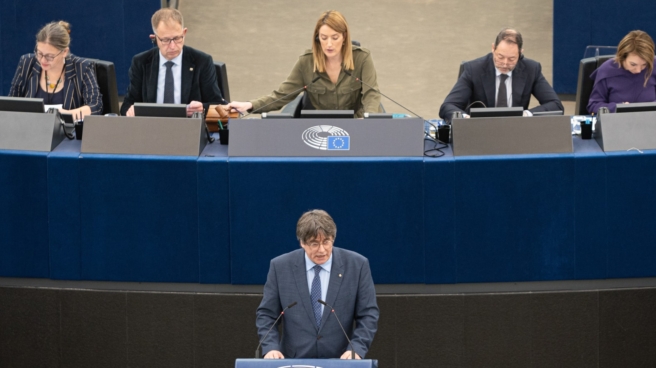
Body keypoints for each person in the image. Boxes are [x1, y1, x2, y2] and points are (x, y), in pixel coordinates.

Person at [256, 209, 379, 359]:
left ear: (333, 238)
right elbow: (267, 314)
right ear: (302, 242)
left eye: (326, 242)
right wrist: (270, 347)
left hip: (340, 361)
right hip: (294, 360)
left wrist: (357, 349)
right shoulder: (280, 267)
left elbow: (368, 314)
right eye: (314, 243)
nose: (322, 250)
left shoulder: (357, 266)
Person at [228, 10, 382, 118]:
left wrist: (369, 120)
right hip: (322, 130)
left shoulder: (362, 58)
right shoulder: (306, 62)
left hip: (357, 126)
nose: (329, 44)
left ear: (344, 37)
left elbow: (371, 95)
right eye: (323, 37)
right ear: (317, 38)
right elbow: (281, 95)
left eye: (335, 38)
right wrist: (249, 105)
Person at [439, 28, 563, 122]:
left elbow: (556, 105)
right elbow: (448, 106)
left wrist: (526, 115)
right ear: (493, 48)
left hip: (515, 130)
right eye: (500, 57)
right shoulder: (474, 69)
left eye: (512, 59)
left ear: (520, 53)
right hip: (481, 131)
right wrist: (466, 119)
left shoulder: (531, 69)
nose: (504, 63)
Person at [120, 8, 224, 116]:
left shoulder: (202, 61)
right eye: (165, 40)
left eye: (177, 38)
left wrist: (202, 108)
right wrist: (130, 110)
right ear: (154, 38)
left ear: (184, 32)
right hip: (151, 128)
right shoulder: (141, 62)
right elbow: (127, 104)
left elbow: (217, 104)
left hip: (189, 128)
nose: (173, 46)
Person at [9, 21, 103, 117]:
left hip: (68, 130)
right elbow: (10, 104)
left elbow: (95, 106)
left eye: (50, 56)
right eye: (39, 53)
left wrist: (65, 115)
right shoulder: (26, 62)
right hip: (30, 129)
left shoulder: (82, 67)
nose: (42, 60)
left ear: (64, 52)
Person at [587, 30, 656, 114]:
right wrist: (617, 107)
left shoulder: (653, 66)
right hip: (616, 123)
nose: (638, 70)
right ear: (622, 57)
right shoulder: (607, 71)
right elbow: (593, 105)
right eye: (633, 64)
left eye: (644, 65)